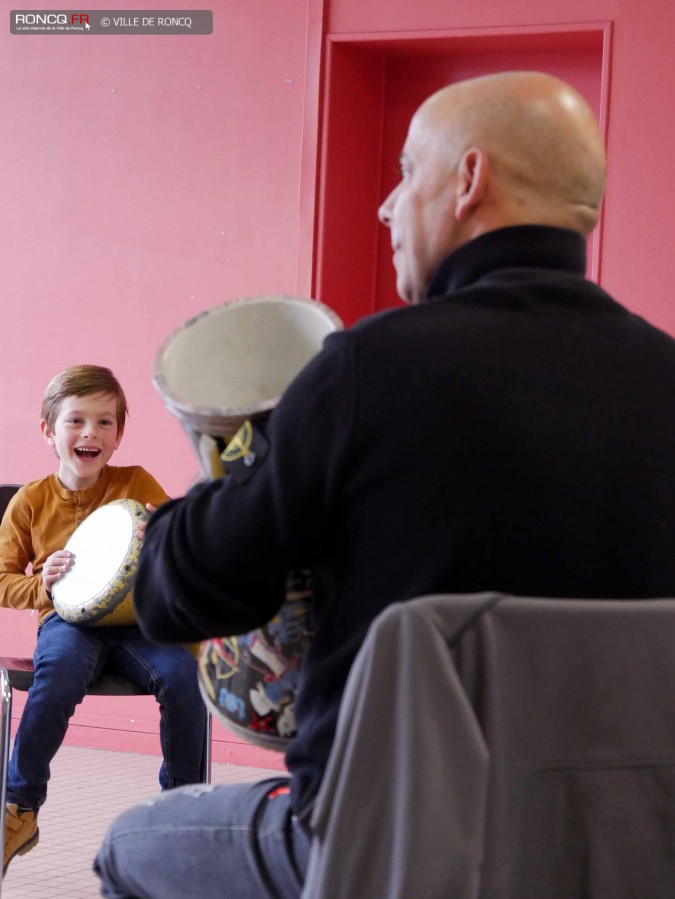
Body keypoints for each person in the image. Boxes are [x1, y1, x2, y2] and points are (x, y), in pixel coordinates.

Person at [95, 71, 675, 898]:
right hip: (621, 857)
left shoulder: (369, 370)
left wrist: (233, 474)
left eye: (405, 172)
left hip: (390, 851)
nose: (386, 204)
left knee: (129, 845)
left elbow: (184, 593)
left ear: (469, 181)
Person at [1, 365, 207, 875]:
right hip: (67, 623)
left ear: (117, 436)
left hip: (136, 624)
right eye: (76, 421)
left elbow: (172, 544)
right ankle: (20, 807)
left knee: (185, 678)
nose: (90, 432)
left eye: (105, 423)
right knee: (59, 675)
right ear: (49, 430)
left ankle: (178, 813)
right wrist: (42, 583)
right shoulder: (30, 501)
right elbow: (3, 580)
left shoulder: (135, 483)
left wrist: (169, 537)